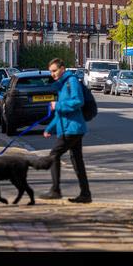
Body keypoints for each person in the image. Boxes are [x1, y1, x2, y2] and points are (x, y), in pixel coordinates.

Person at [41, 58, 92, 203]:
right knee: (77, 161)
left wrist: (57, 105)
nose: (52, 74)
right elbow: (60, 112)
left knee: (53, 155)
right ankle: (85, 194)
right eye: (51, 71)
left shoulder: (72, 81)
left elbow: (78, 101)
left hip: (73, 128)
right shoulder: (63, 84)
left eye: (54, 70)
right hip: (68, 127)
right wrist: (49, 128)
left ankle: (55, 190)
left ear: (62, 69)